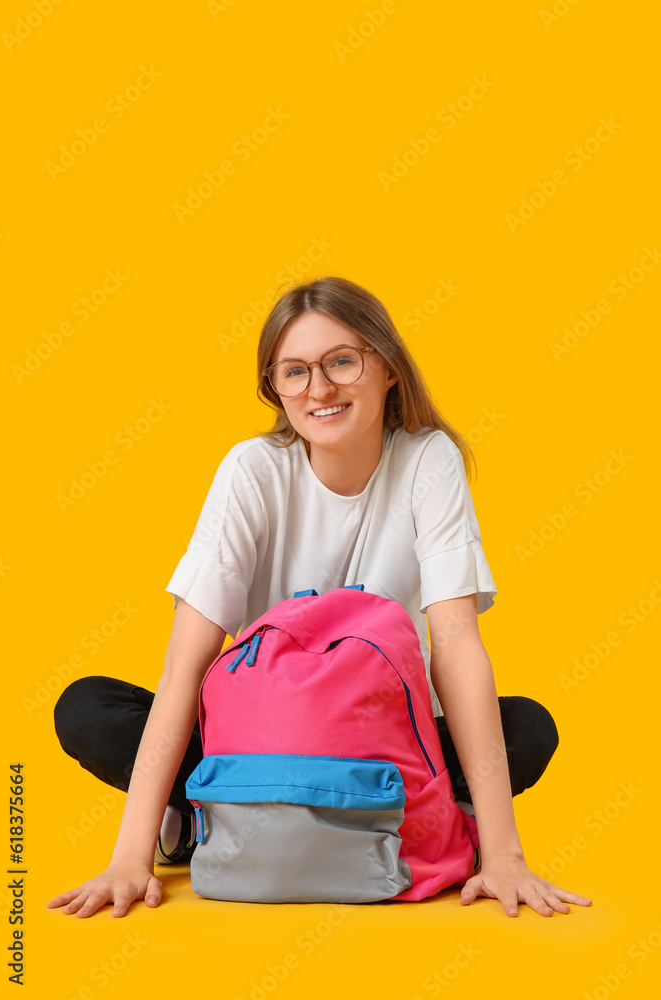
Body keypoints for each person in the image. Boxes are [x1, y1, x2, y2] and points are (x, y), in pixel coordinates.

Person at [47, 275, 592, 920]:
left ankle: (233, 826)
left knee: (526, 727)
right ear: (275, 388)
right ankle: (254, 820)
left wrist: (505, 856)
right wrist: (129, 859)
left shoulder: (429, 460)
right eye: (295, 372)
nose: (320, 389)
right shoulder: (252, 470)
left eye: (341, 361)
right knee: (89, 709)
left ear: (388, 367)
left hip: (385, 748)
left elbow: (455, 646)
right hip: (257, 747)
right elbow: (185, 667)